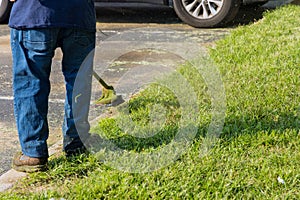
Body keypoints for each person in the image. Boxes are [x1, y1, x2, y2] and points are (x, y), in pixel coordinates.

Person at [9, 0, 96, 172]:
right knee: (79, 82)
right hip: (79, 15)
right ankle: (76, 144)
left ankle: (33, 152)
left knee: (31, 82)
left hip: (34, 14)